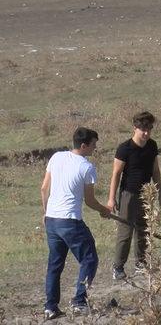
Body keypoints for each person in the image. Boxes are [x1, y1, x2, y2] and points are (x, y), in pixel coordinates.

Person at [41, 127, 113, 320]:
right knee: (89, 259)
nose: (95, 147)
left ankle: (50, 307)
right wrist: (104, 210)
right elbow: (89, 201)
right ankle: (79, 302)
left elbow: (43, 188)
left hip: (52, 220)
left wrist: (45, 212)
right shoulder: (86, 167)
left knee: (55, 264)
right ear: (84, 145)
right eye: (93, 144)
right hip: (70, 221)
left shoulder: (56, 157)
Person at [109, 111, 161, 280]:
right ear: (135, 128)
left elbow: (155, 171)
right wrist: (111, 199)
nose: (146, 133)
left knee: (144, 229)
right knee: (125, 231)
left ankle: (141, 263)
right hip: (128, 194)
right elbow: (116, 174)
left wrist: (159, 192)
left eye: (149, 129)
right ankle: (118, 267)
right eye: (143, 129)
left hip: (146, 193)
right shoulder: (125, 148)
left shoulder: (152, 145)